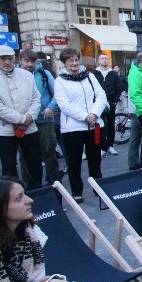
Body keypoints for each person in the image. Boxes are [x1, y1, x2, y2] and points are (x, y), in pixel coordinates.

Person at [0, 45, 43, 190]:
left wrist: (29, 117)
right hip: (5, 129)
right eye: (3, 59)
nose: (7, 62)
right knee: (9, 166)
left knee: (35, 163)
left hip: (29, 127)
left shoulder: (26, 75)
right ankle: (12, 197)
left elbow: (36, 98)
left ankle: (38, 194)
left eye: (10, 58)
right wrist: (20, 119)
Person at [54, 48, 107, 204]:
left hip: (94, 124)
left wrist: (94, 114)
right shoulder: (60, 81)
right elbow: (64, 104)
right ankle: (77, 191)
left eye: (76, 59)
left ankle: (98, 187)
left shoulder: (89, 76)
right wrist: (85, 116)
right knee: (74, 161)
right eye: (70, 60)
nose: (74, 63)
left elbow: (101, 96)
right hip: (73, 128)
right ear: (64, 63)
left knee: (95, 158)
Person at [18, 50, 60, 185]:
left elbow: (56, 93)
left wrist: (51, 107)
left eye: (32, 61)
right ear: (20, 61)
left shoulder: (44, 74)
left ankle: (52, 180)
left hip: (44, 119)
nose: (29, 64)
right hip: (24, 121)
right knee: (25, 154)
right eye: (26, 61)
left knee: (49, 150)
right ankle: (28, 183)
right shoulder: (15, 76)